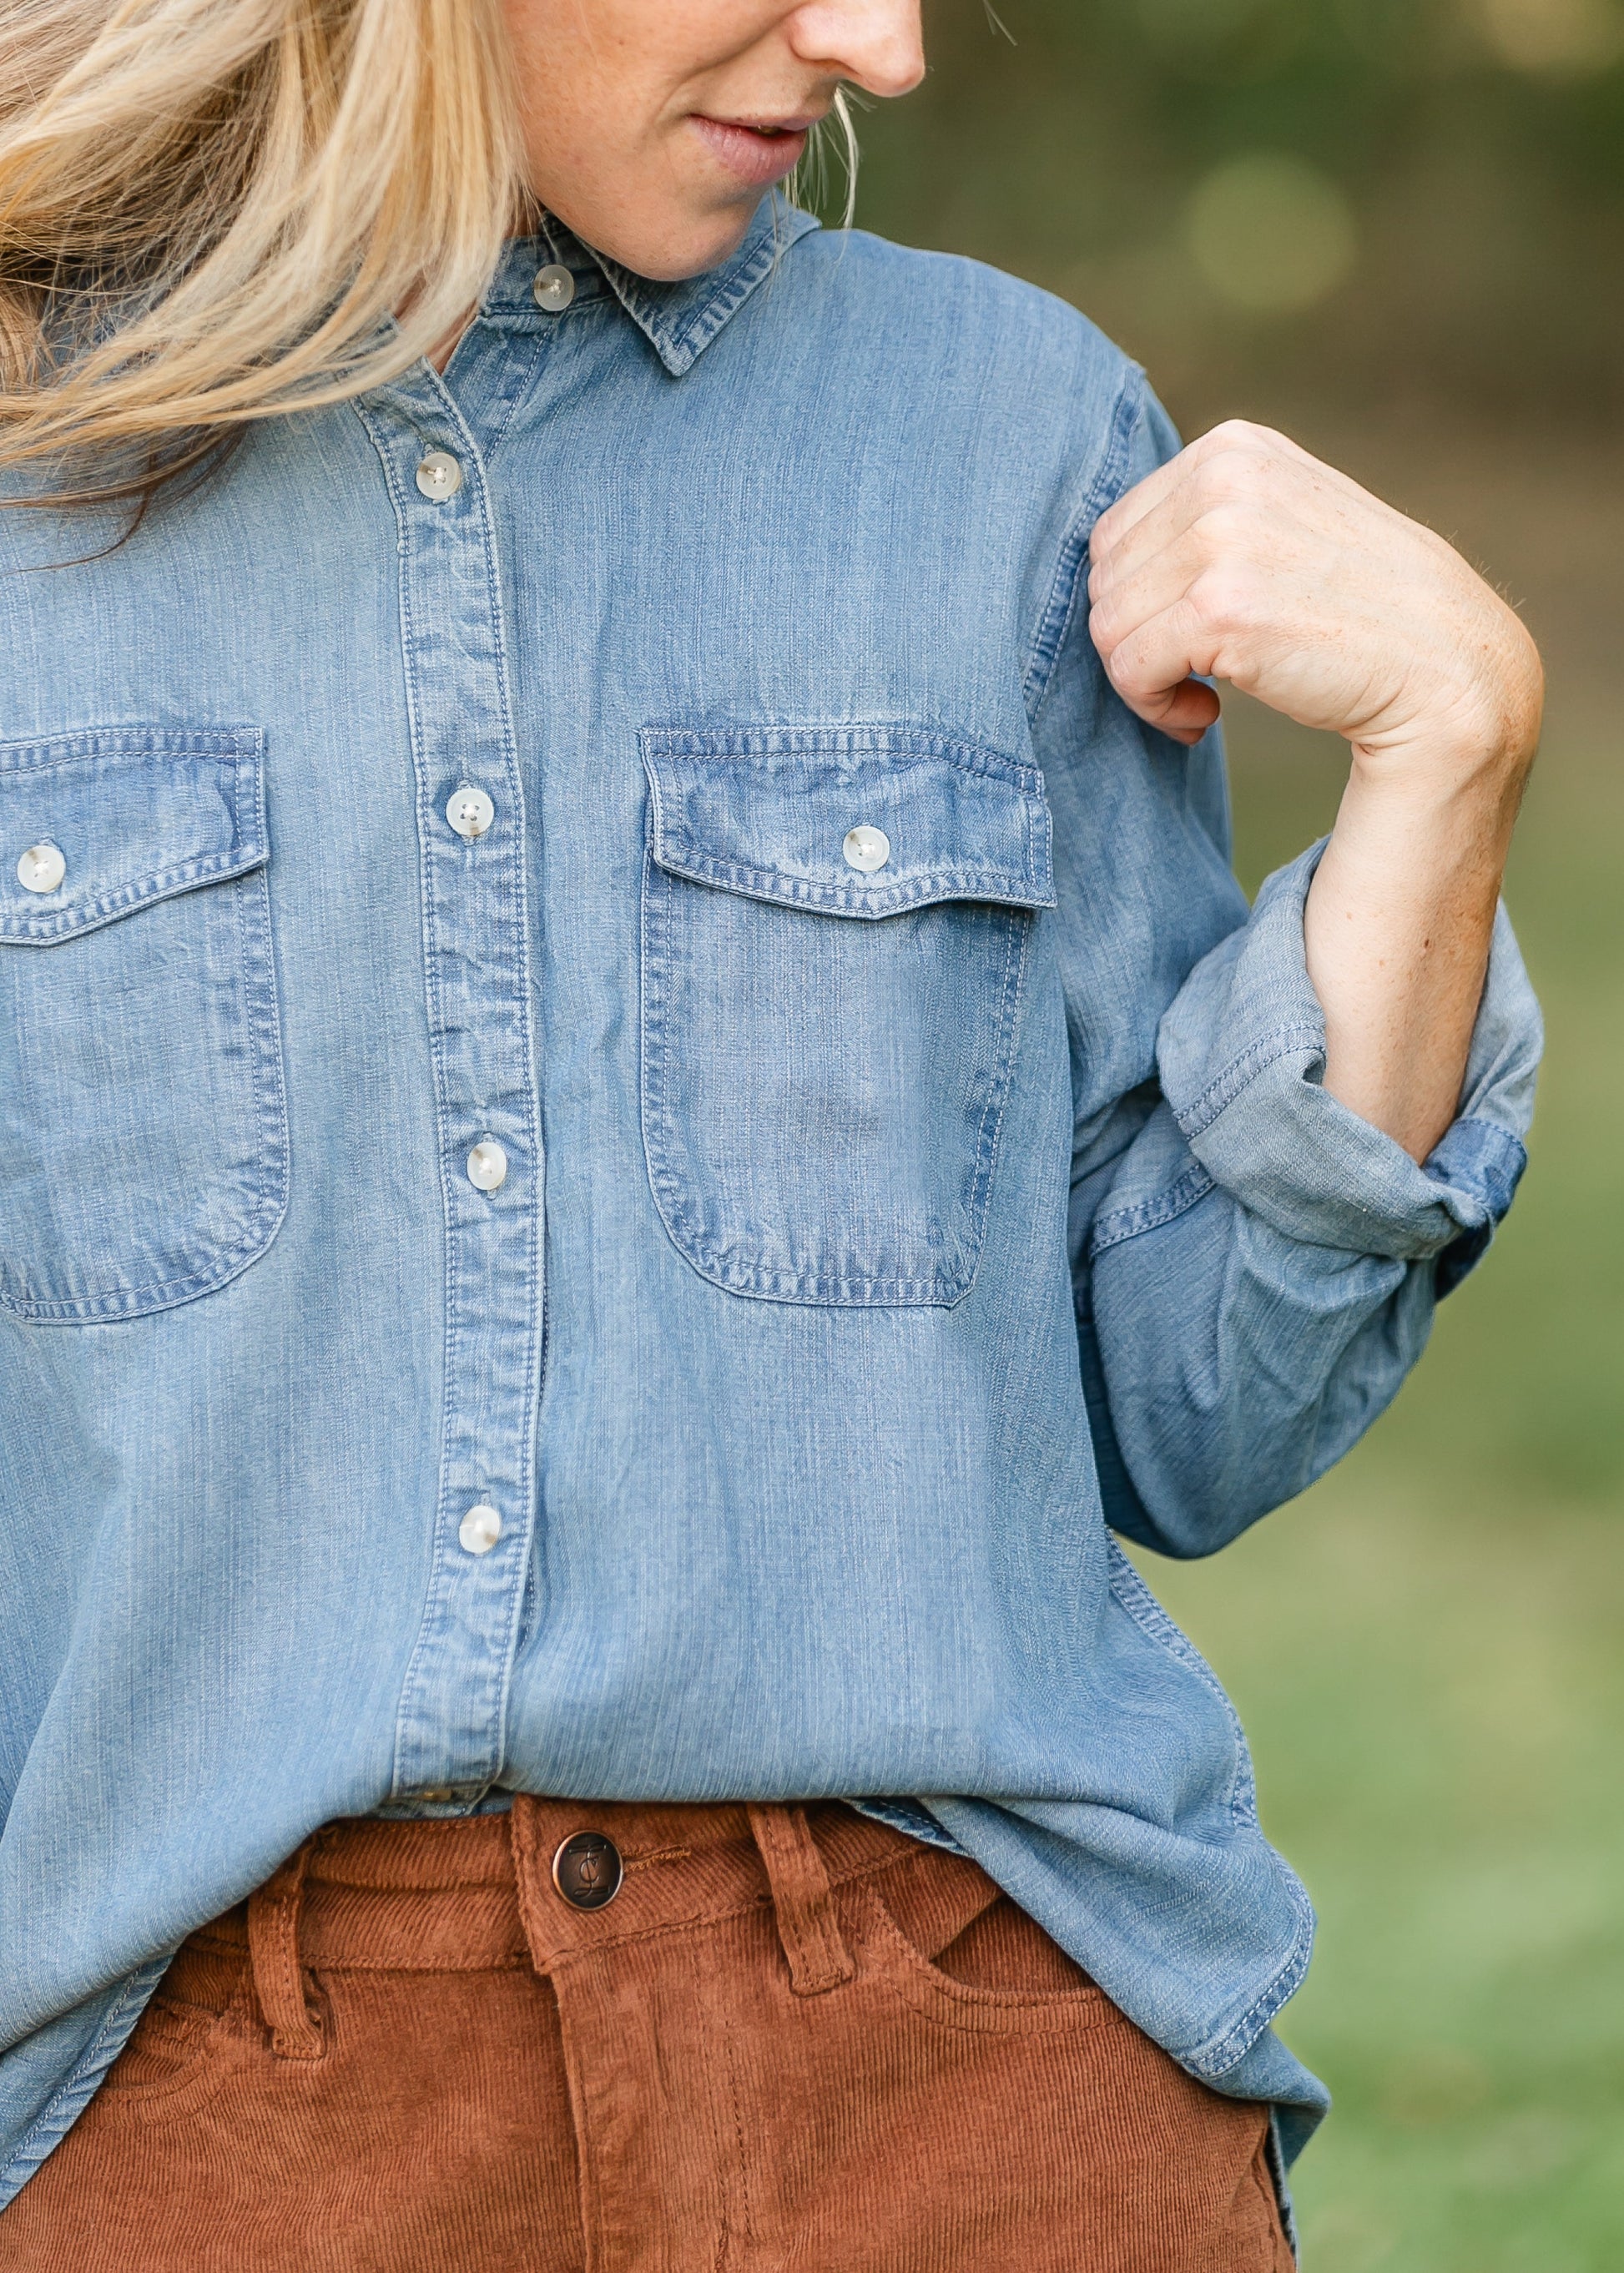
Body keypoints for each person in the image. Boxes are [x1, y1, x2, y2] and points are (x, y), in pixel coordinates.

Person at [0, 3, 1543, 2265]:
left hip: (985, 2102)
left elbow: (1191, 1409)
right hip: (193, 2132)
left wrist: (1447, 759)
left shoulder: (1013, 442)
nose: (880, 47)